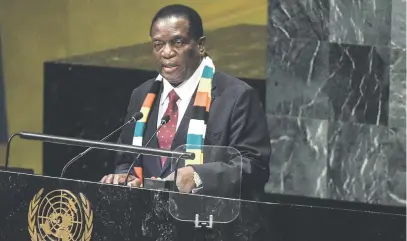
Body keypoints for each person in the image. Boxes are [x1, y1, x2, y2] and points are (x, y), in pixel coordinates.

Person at [101, 4, 270, 199]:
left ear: (200, 45)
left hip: (209, 223)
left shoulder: (237, 97)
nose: (167, 52)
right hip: (147, 221)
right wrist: (125, 177)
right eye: (158, 44)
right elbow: (126, 159)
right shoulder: (141, 95)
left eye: (178, 42)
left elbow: (254, 166)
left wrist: (199, 176)